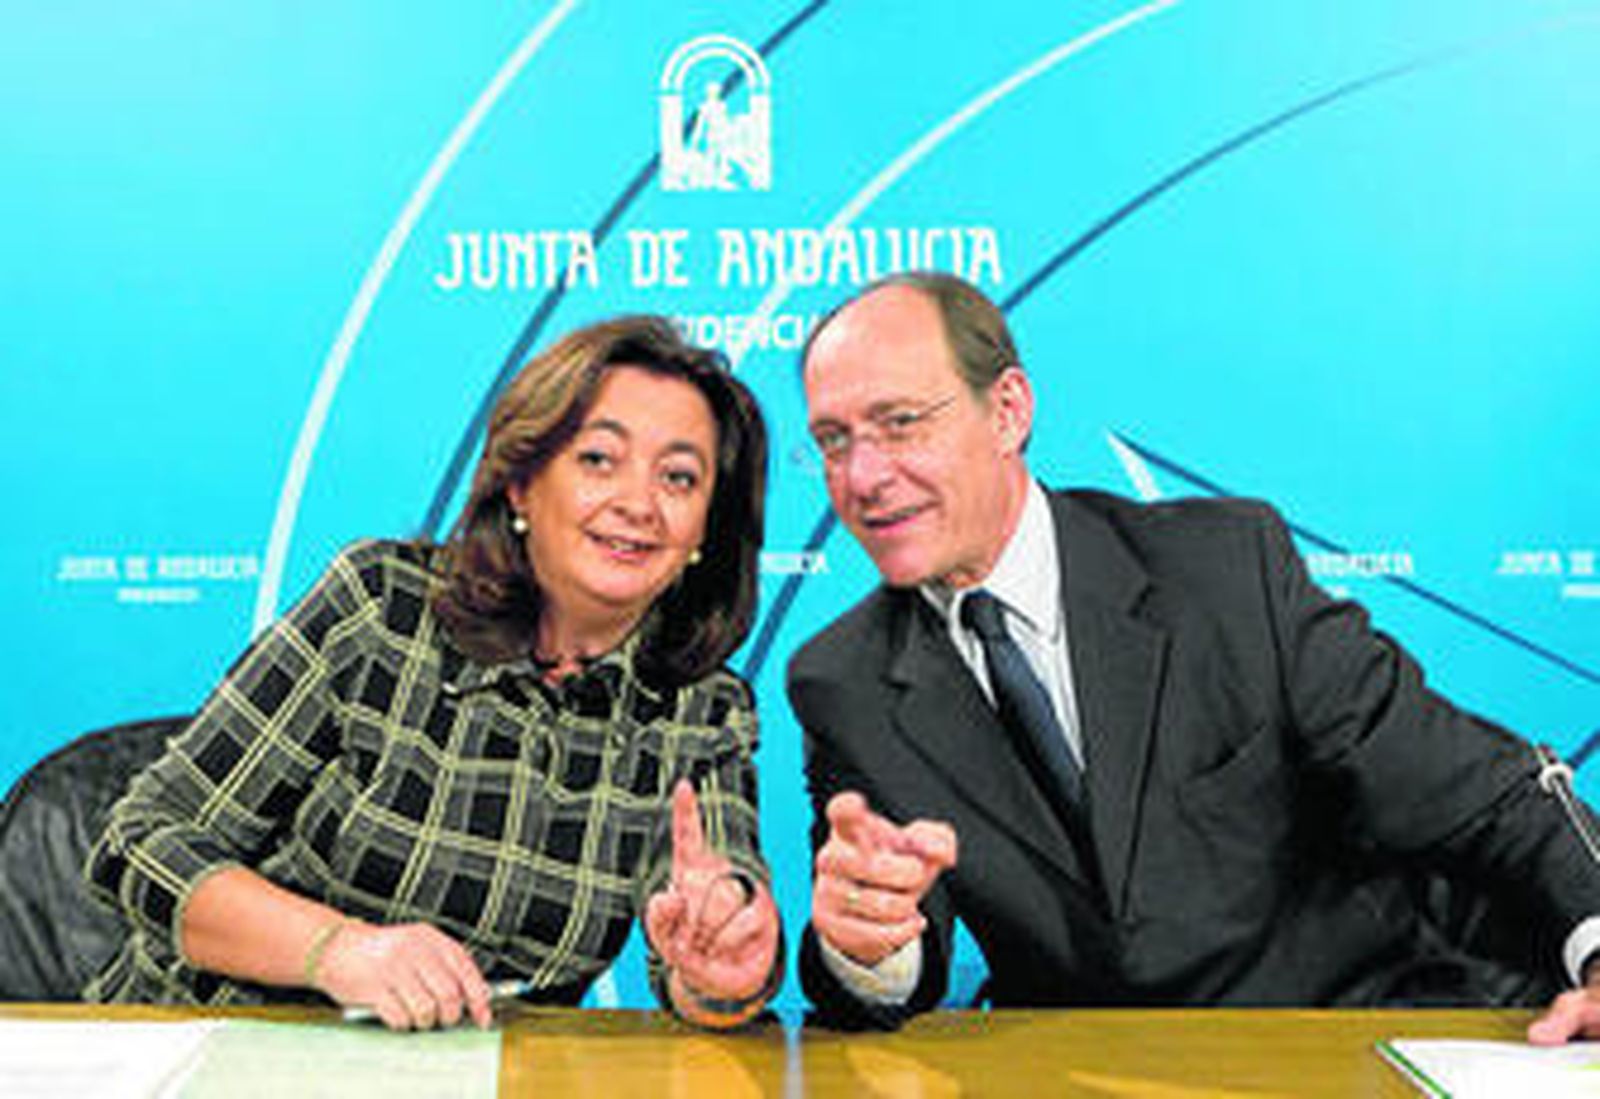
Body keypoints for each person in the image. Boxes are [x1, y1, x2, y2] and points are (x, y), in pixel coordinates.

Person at [787, 270, 1600, 1041]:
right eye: (833, 440)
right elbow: (895, 942)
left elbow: (1486, 794)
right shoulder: (842, 679)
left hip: (1361, 1035)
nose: (862, 476)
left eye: (900, 423)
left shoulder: (1227, 570)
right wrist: (869, 944)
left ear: (1007, 409)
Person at [85, 315, 782, 1030]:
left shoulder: (704, 709)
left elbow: (710, 919)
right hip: (215, 1040)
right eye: (598, 459)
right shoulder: (382, 607)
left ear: (704, 529)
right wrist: (338, 950)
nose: (638, 503)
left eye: (679, 476)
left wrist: (719, 971)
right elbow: (141, 841)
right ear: (520, 484)